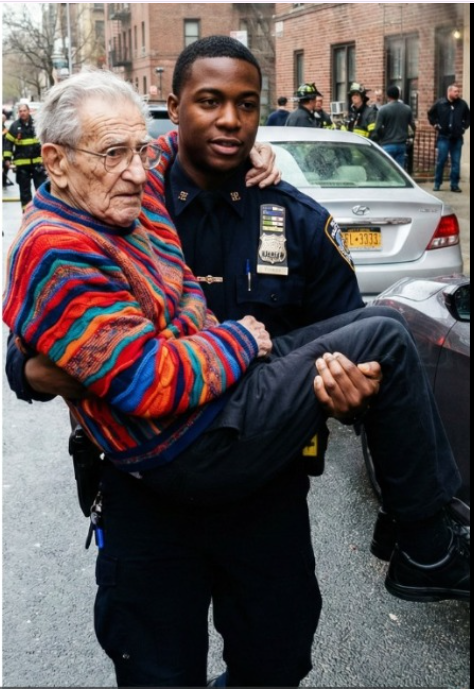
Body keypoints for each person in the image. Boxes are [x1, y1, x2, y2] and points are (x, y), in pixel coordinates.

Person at [4, 38, 470, 688]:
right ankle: (427, 545)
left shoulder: (294, 218)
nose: (228, 120)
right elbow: (43, 342)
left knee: (274, 663)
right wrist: (42, 367)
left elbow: (352, 354)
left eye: (245, 106)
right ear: (176, 108)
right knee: (155, 672)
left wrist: (355, 395)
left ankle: (426, 542)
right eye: (209, 103)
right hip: (151, 494)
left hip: (262, 491)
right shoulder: (123, 200)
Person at [3, 102, 47, 210]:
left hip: (38, 164)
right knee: (25, 193)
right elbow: (8, 143)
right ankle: (26, 214)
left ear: (29, 111)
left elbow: (46, 140)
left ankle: (41, 213)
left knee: (41, 191)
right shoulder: (14, 127)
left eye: (24, 111)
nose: (22, 113)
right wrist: (7, 159)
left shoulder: (37, 125)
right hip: (22, 166)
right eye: (20, 111)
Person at [428, 84, 470, 192]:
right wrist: (435, 124)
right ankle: (437, 183)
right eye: (455, 91)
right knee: (441, 161)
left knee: (456, 162)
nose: (457, 93)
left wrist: (463, 127)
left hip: (457, 138)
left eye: (458, 91)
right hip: (444, 137)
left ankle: (454, 185)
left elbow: (468, 117)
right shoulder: (440, 103)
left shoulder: (462, 104)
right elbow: (430, 114)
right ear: (449, 92)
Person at [373, 85, 417, 168]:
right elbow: (413, 126)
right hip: (401, 144)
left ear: (387, 96)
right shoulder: (407, 109)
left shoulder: (383, 110)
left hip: (387, 143)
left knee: (387, 169)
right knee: (399, 170)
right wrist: (410, 136)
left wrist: (382, 137)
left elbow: (377, 128)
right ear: (399, 95)